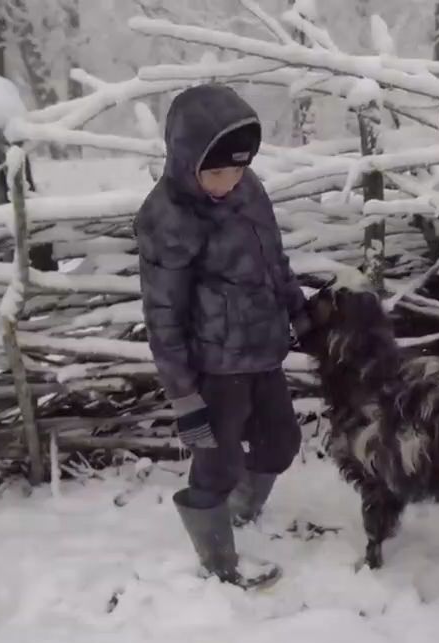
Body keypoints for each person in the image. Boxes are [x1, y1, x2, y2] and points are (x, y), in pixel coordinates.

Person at [133, 83, 310, 590]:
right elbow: (162, 313)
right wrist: (183, 395)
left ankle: (240, 513)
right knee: (217, 461)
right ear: (185, 158)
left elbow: (274, 261)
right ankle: (216, 560)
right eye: (215, 171)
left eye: (237, 167)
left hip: (262, 352)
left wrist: (301, 315)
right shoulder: (168, 216)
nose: (228, 180)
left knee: (281, 442)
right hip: (212, 367)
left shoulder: (248, 190)